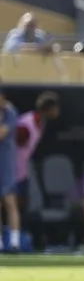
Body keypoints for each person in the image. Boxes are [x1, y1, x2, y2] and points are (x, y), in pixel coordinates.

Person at [14, 91, 60, 213]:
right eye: (56, 108)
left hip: (22, 170)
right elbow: (13, 146)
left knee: (23, 203)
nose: (57, 112)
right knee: (11, 203)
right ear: (48, 109)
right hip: (12, 170)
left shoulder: (41, 123)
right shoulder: (26, 124)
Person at [0, 86, 20, 253]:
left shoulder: (10, 113)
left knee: (9, 201)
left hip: (5, 163)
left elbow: (1, 134)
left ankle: (14, 242)